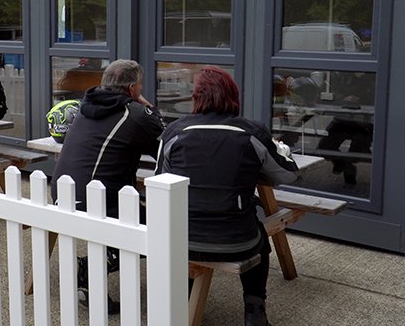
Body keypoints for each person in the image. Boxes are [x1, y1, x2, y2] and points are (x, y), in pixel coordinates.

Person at [155, 66, 298, 326]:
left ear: (196, 97)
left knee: (189, 221)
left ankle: (182, 299)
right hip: (236, 241)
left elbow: (159, 183)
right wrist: (282, 151)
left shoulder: (174, 132)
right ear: (233, 96)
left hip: (180, 241)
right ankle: (254, 310)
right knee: (261, 235)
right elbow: (286, 175)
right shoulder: (252, 132)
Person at [50, 59, 165, 313]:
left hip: (62, 194)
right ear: (133, 88)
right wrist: (148, 106)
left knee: (136, 206)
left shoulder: (84, 107)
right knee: (163, 227)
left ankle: (100, 262)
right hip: (96, 202)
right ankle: (92, 267)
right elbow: (165, 142)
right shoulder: (133, 114)